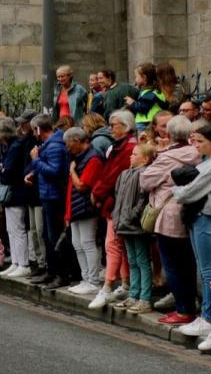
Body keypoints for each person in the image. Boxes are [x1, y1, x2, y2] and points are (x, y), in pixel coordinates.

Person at [139, 115, 201, 325]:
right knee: (189, 264)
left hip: (169, 216)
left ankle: (183, 310)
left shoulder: (166, 157)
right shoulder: (196, 152)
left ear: (170, 133)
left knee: (172, 265)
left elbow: (145, 181)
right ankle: (191, 305)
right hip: (192, 213)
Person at [172, 123, 211, 347]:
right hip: (200, 217)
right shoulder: (207, 163)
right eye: (194, 141)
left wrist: (176, 191)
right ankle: (207, 317)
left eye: (200, 141)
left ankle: (208, 318)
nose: (195, 145)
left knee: (210, 272)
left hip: (207, 218)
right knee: (205, 269)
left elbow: (189, 192)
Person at [87, 110, 136, 309]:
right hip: (114, 203)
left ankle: (107, 288)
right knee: (119, 246)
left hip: (119, 204)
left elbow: (112, 175)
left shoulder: (128, 148)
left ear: (125, 127)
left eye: (114, 124)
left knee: (113, 245)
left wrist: (97, 191)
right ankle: (124, 283)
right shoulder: (119, 146)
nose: (110, 128)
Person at [25, 114, 73, 289]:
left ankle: (61, 274)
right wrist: (34, 173)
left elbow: (54, 171)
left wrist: (35, 160)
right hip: (47, 195)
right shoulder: (49, 144)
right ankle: (51, 271)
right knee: (47, 236)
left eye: (33, 130)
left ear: (38, 129)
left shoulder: (54, 145)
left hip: (54, 197)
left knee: (54, 237)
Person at [111, 143, 155, 314]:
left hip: (136, 226)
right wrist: (118, 218)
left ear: (145, 159)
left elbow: (143, 199)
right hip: (124, 225)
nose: (131, 156)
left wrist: (131, 215)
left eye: (135, 154)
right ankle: (134, 294)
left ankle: (145, 298)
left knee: (142, 261)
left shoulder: (144, 173)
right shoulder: (124, 174)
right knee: (132, 261)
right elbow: (117, 196)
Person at [63, 127, 103, 295]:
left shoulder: (92, 159)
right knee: (77, 244)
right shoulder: (80, 157)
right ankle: (85, 278)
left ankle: (93, 280)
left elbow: (82, 186)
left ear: (76, 141)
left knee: (87, 243)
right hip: (77, 207)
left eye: (68, 143)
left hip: (87, 208)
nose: (67, 147)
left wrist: (72, 171)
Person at [0, 117, 33, 278]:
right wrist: (1, 169)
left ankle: (23, 263)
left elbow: (7, 169)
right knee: (11, 229)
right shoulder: (10, 145)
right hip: (11, 191)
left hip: (16, 191)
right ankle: (16, 262)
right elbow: (0, 168)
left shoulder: (15, 146)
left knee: (17, 229)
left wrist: (1, 169)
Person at [124, 62, 167, 132]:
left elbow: (143, 108)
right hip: (151, 121)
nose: (136, 79)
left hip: (146, 123)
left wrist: (132, 103)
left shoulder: (149, 92)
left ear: (144, 77)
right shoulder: (154, 91)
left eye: (136, 76)